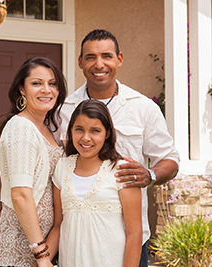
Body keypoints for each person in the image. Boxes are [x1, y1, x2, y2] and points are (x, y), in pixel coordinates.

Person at [56, 29, 180, 266]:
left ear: (119, 59)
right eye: (90, 57)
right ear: (80, 62)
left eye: (107, 56)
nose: (98, 64)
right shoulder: (65, 109)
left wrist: (150, 175)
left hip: (131, 237)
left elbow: (170, 159)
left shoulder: (143, 108)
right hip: (77, 240)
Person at [46, 99, 142, 266]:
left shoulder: (122, 171)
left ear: (107, 133)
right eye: (79, 130)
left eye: (95, 131)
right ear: (70, 131)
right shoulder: (62, 167)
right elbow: (58, 226)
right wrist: (41, 260)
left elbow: (135, 234)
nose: (86, 138)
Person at [0, 57, 67, 267]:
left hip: (42, 247)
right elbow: (21, 195)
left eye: (52, 83)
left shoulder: (47, 129)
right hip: (19, 250)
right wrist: (41, 255)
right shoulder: (21, 127)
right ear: (22, 90)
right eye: (36, 83)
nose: (46, 90)